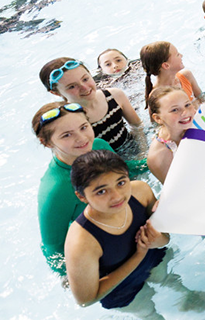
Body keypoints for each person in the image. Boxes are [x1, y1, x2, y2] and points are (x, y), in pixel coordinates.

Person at [64, 150, 205, 318]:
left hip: (151, 259)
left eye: (121, 182)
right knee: (148, 312)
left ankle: (188, 296)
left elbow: (164, 237)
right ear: (82, 196)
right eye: (101, 191)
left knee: (167, 279)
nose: (117, 196)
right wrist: (138, 255)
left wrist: (159, 240)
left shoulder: (140, 192)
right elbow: (86, 300)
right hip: (119, 287)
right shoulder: (81, 242)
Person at [32, 101, 135, 274]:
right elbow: (53, 248)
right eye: (67, 135)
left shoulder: (99, 145)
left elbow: (127, 172)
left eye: (84, 127)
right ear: (47, 143)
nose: (82, 138)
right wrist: (72, 276)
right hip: (101, 251)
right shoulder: (55, 191)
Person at [39, 58, 142, 153]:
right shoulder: (67, 119)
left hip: (132, 147)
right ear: (56, 93)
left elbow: (137, 126)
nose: (84, 87)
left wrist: (142, 152)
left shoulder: (115, 95)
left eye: (85, 79)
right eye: (72, 86)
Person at [146, 87, 196, 184]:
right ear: (158, 118)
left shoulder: (201, 121)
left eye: (187, 105)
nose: (185, 112)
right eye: (174, 110)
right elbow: (177, 189)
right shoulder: (157, 157)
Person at [140, 41, 203, 107]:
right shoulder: (157, 97)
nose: (181, 55)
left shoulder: (186, 76)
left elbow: (202, 99)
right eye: (177, 55)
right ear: (166, 65)